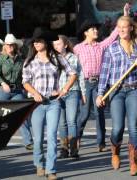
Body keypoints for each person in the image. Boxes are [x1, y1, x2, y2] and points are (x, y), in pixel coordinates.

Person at [75, 4, 129, 152]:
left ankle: (101, 143)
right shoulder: (78, 48)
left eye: (96, 29)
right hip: (85, 83)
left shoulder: (101, 46)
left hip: (100, 83)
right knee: (84, 114)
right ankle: (76, 138)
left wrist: (124, 14)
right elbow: (71, 65)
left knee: (99, 113)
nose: (96, 31)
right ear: (86, 32)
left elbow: (114, 35)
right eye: (93, 29)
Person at [23, 30, 76, 180]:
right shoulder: (30, 61)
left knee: (52, 136)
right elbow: (25, 82)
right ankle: (39, 164)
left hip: (54, 102)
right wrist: (34, 93)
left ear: (45, 42)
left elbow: (73, 73)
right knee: (38, 138)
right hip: (36, 104)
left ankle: (51, 169)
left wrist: (65, 88)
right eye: (34, 41)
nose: (36, 43)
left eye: (39, 41)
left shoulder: (57, 58)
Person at [96, 16, 137, 176]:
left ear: (131, 28)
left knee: (134, 126)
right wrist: (100, 94)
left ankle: (133, 161)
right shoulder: (111, 49)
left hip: (134, 89)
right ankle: (115, 151)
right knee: (118, 127)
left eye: (124, 27)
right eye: (118, 27)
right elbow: (105, 73)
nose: (121, 30)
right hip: (116, 91)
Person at [0, 34, 33, 149]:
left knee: (22, 115)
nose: (10, 46)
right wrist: (3, 83)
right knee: (0, 117)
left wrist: (27, 88)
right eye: (8, 45)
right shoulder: (0, 59)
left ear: (15, 46)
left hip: (17, 90)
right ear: (4, 46)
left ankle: (28, 141)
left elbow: (25, 76)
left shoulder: (21, 60)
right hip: (2, 91)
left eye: (12, 45)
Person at [53, 35, 86, 159]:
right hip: (57, 94)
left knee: (71, 121)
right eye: (54, 45)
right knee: (62, 123)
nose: (56, 46)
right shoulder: (52, 59)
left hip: (72, 92)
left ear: (65, 45)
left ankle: (73, 149)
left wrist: (83, 93)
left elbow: (80, 75)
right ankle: (64, 149)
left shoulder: (73, 58)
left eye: (59, 44)